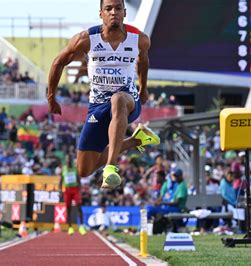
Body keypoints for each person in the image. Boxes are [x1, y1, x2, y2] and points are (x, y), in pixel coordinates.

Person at [47, 0, 160, 190]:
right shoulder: (86, 39)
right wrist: (51, 97)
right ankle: (137, 139)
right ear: (101, 13)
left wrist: (143, 88)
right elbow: (58, 62)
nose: (113, 12)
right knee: (84, 169)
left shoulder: (139, 39)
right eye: (108, 8)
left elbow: (143, 61)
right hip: (98, 105)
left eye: (118, 8)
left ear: (125, 12)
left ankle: (110, 168)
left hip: (128, 100)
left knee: (118, 99)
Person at [59, 156, 87, 235]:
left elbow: (79, 180)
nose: (68, 162)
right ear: (66, 162)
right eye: (67, 161)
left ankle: (81, 226)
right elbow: (61, 181)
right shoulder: (63, 169)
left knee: (79, 206)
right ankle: (70, 227)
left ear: (71, 161)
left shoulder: (75, 169)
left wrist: (80, 191)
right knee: (68, 209)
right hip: (67, 190)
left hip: (75, 189)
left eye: (69, 161)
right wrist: (60, 190)